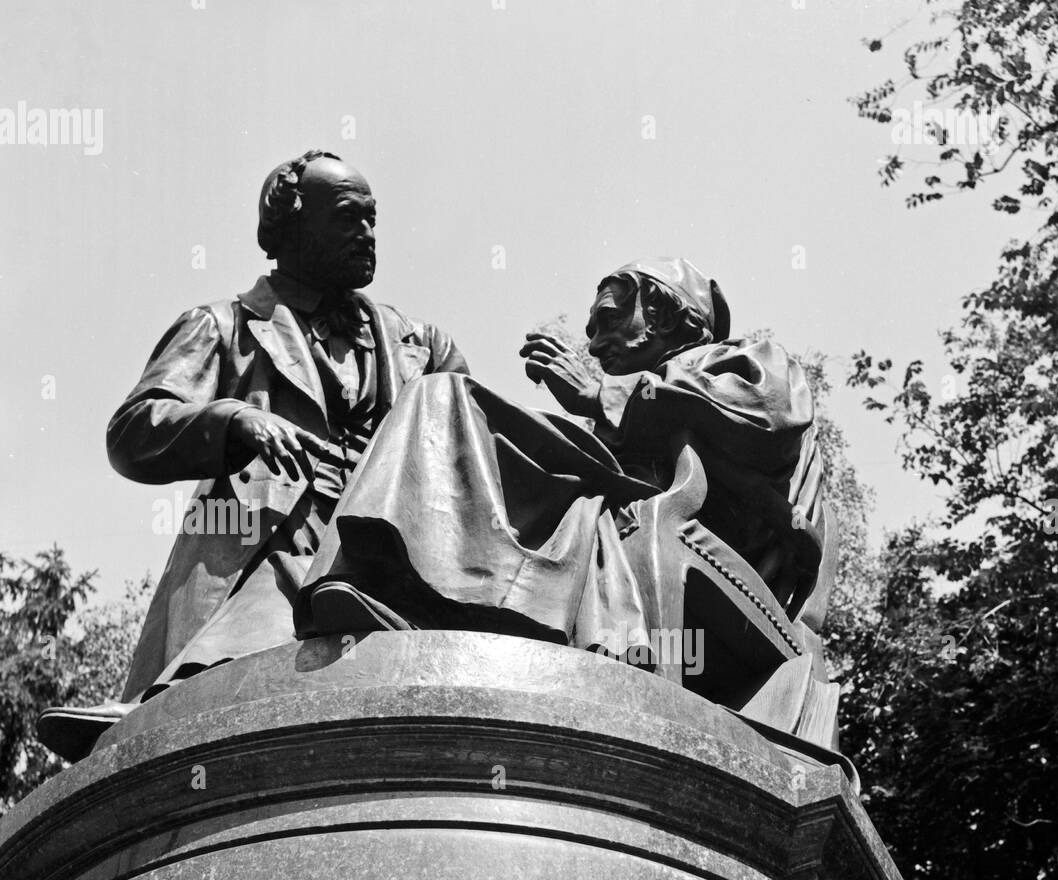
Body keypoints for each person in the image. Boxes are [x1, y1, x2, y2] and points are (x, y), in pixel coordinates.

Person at [37, 150, 467, 762]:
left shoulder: (423, 345)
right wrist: (235, 422)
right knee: (235, 659)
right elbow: (133, 433)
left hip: (389, 543)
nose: (368, 234)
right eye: (349, 218)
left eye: (373, 220)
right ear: (291, 225)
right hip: (270, 536)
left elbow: (472, 456)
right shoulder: (222, 326)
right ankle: (151, 718)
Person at [295, 258, 821, 675]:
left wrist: (598, 396)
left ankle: (435, 600)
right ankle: (401, 587)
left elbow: (770, 420)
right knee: (442, 402)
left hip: (700, 523)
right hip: (608, 494)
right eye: (592, 329)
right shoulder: (616, 413)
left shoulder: (750, 360)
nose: (593, 343)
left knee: (449, 395)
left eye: (611, 320)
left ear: (662, 313)